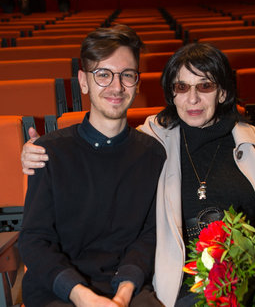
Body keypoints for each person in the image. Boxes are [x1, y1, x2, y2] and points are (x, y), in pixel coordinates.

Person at [21, 43, 255, 306]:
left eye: (206, 86)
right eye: (182, 88)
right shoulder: (151, 142)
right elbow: (105, 146)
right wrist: (39, 150)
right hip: (189, 278)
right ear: (172, 94)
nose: (193, 99)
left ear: (223, 92)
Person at [18, 25, 166, 307]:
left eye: (127, 75)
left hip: (127, 288)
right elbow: (34, 241)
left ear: (138, 83)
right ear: (83, 82)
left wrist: (122, 295)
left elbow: (149, 237)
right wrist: (81, 295)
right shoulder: (49, 152)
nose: (116, 86)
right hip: (58, 289)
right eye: (103, 75)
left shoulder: (152, 155)